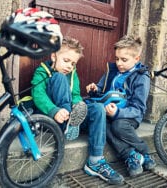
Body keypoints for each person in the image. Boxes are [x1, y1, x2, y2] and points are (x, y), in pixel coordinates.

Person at [31, 36, 124, 185]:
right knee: (60, 78)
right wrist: (54, 110)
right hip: (54, 119)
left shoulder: (73, 74)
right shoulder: (42, 72)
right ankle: (70, 122)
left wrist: (78, 105)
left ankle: (95, 161)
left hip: (71, 119)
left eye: (73, 63)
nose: (69, 66)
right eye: (66, 61)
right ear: (54, 56)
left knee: (98, 108)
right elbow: (38, 94)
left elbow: (75, 95)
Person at [86, 35, 156, 177]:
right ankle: (131, 155)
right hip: (108, 111)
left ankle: (144, 152)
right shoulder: (112, 71)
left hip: (129, 116)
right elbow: (101, 89)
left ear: (136, 59)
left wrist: (118, 113)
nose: (119, 63)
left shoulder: (142, 77)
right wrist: (95, 89)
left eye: (124, 60)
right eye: (117, 58)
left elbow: (138, 108)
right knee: (102, 123)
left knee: (118, 125)